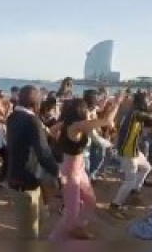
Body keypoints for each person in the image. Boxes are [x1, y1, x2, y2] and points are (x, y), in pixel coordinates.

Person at [48, 96, 121, 241]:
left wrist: (59, 138)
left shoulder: (68, 123)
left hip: (78, 168)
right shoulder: (76, 125)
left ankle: (76, 227)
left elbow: (50, 130)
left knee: (90, 200)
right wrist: (117, 104)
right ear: (80, 110)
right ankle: (54, 239)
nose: (88, 110)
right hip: (71, 172)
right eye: (85, 108)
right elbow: (106, 121)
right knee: (71, 213)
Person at [6, 85, 61, 240]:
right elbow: (43, 153)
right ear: (35, 103)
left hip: (20, 178)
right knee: (30, 235)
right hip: (26, 182)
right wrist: (58, 172)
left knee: (40, 218)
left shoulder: (13, 117)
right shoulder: (32, 121)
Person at [108, 91, 152, 219]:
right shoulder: (136, 113)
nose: (149, 102)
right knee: (129, 181)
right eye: (147, 100)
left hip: (133, 151)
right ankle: (115, 205)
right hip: (128, 152)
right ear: (142, 101)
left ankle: (134, 191)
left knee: (147, 167)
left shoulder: (135, 113)